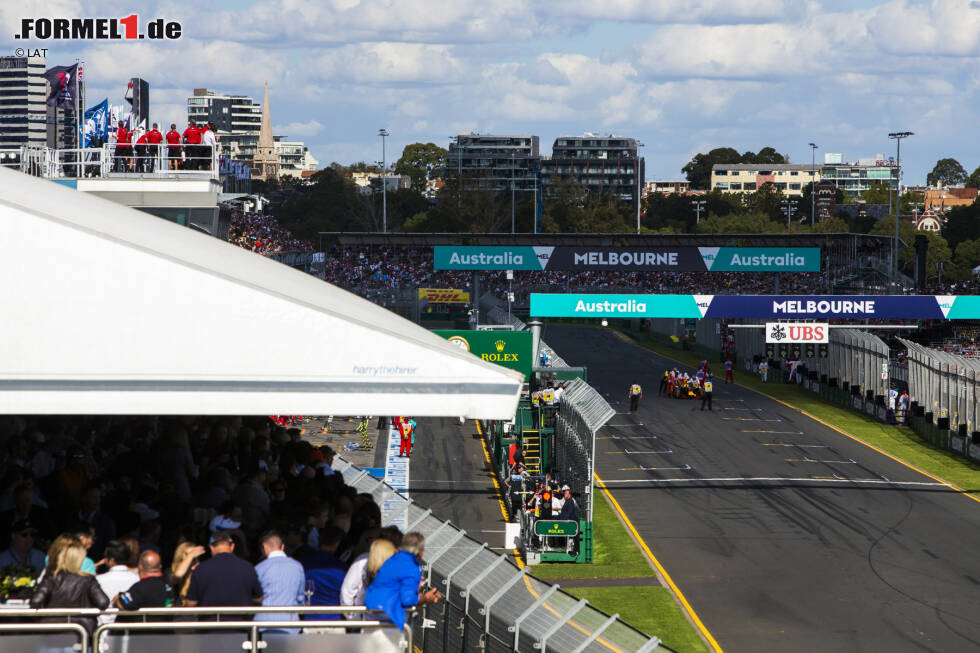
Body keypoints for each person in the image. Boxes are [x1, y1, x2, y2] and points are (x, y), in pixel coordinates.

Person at [31, 539, 109, 636]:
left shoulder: (51, 577)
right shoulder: (88, 579)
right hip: (81, 634)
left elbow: (36, 601)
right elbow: (103, 602)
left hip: (53, 632)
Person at [364, 532, 442, 630]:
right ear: (421, 551)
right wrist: (427, 598)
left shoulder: (392, 559)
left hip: (371, 613)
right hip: (388, 620)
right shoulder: (411, 566)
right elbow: (407, 600)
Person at [184, 532, 263, 607]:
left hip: (211, 620)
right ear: (232, 546)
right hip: (240, 619)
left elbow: (191, 602)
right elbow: (259, 598)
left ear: (211, 547)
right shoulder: (247, 567)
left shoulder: (200, 569)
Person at [255, 531, 305, 631]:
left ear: (264, 547)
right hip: (290, 623)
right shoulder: (297, 566)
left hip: (264, 624)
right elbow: (301, 597)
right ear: (282, 547)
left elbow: (255, 595)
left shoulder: (259, 568)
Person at [302, 525, 348, 622]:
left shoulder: (304, 564)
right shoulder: (341, 568)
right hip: (335, 618)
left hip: (310, 618)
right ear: (337, 543)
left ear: (319, 539)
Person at [96, 539, 139, 608]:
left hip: (104, 618)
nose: (104, 560)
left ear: (112, 561)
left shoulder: (99, 580)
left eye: (105, 557)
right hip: (129, 618)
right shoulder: (137, 579)